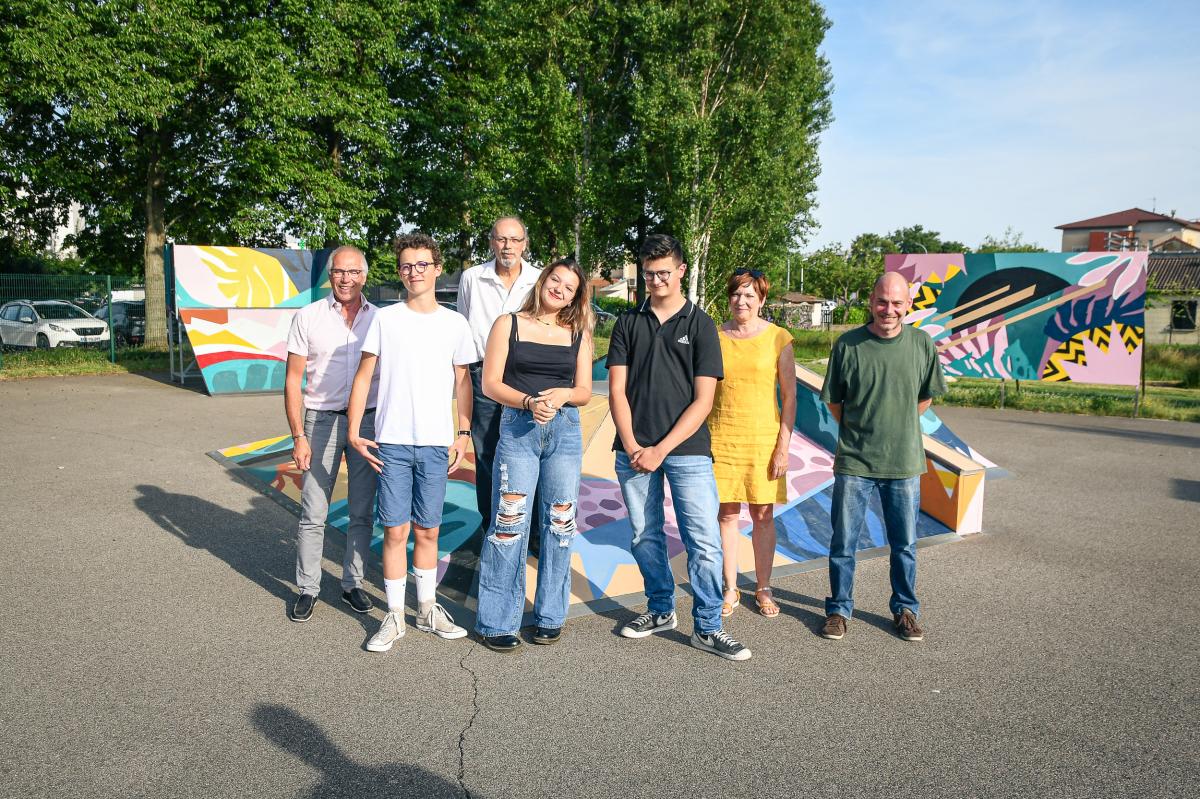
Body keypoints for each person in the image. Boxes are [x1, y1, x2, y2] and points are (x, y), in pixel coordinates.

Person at [607, 233, 751, 662]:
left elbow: (703, 400)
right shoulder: (628, 323)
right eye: (649, 274)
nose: (656, 281)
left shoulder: (701, 324)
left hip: (687, 451)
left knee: (703, 540)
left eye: (664, 273)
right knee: (644, 536)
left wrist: (661, 449)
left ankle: (707, 627)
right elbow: (617, 391)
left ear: (682, 271)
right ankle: (660, 609)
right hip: (633, 450)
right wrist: (635, 445)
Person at [346, 232, 476, 651]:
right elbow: (364, 375)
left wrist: (463, 432)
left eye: (422, 264)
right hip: (393, 443)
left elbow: (463, 380)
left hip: (437, 443)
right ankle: (395, 617)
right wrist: (353, 429)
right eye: (406, 265)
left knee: (428, 531)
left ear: (438, 269)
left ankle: (427, 609)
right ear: (399, 271)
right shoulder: (385, 319)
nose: (414, 272)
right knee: (395, 531)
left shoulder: (455, 322)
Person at [818, 271, 947, 642]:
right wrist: (863, 430)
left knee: (904, 544)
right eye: (881, 301)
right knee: (844, 542)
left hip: (904, 462)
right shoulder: (848, 345)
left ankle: (905, 609)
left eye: (896, 303)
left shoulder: (922, 344)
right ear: (871, 301)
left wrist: (898, 425)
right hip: (855, 462)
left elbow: (925, 397)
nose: (888, 309)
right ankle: (839, 610)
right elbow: (835, 402)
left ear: (908, 304)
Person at [473, 257, 594, 652]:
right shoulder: (507, 324)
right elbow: (490, 384)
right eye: (555, 280)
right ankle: (497, 622)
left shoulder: (578, 331)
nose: (559, 289)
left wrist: (562, 395)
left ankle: (549, 616)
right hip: (518, 429)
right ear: (543, 280)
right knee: (509, 523)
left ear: (575, 297)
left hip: (564, 434)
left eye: (569, 287)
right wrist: (527, 401)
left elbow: (584, 391)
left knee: (559, 525)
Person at [283, 245, 379, 623]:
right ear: (330, 275)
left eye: (353, 272)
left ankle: (352, 583)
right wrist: (297, 436)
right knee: (313, 511)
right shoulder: (307, 317)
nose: (345, 279)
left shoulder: (382, 320)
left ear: (364, 276)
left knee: (361, 511)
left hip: (368, 423)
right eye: (339, 271)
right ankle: (307, 588)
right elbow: (292, 380)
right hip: (320, 420)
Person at [710, 268, 796, 619]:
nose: (741, 301)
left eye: (749, 295)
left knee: (763, 515)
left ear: (761, 300)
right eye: (735, 294)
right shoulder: (713, 336)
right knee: (727, 515)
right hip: (722, 436)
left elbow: (790, 398)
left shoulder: (779, 338)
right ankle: (730, 587)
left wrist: (782, 447)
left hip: (763, 439)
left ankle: (763, 587)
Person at [456, 217, 541, 530]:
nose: (508, 246)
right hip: (483, 376)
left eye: (515, 240)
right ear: (491, 242)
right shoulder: (471, 278)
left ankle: (530, 529)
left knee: (530, 450)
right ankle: (492, 522)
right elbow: (464, 328)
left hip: (527, 376)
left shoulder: (539, 278)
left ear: (524, 243)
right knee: (487, 451)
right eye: (501, 239)